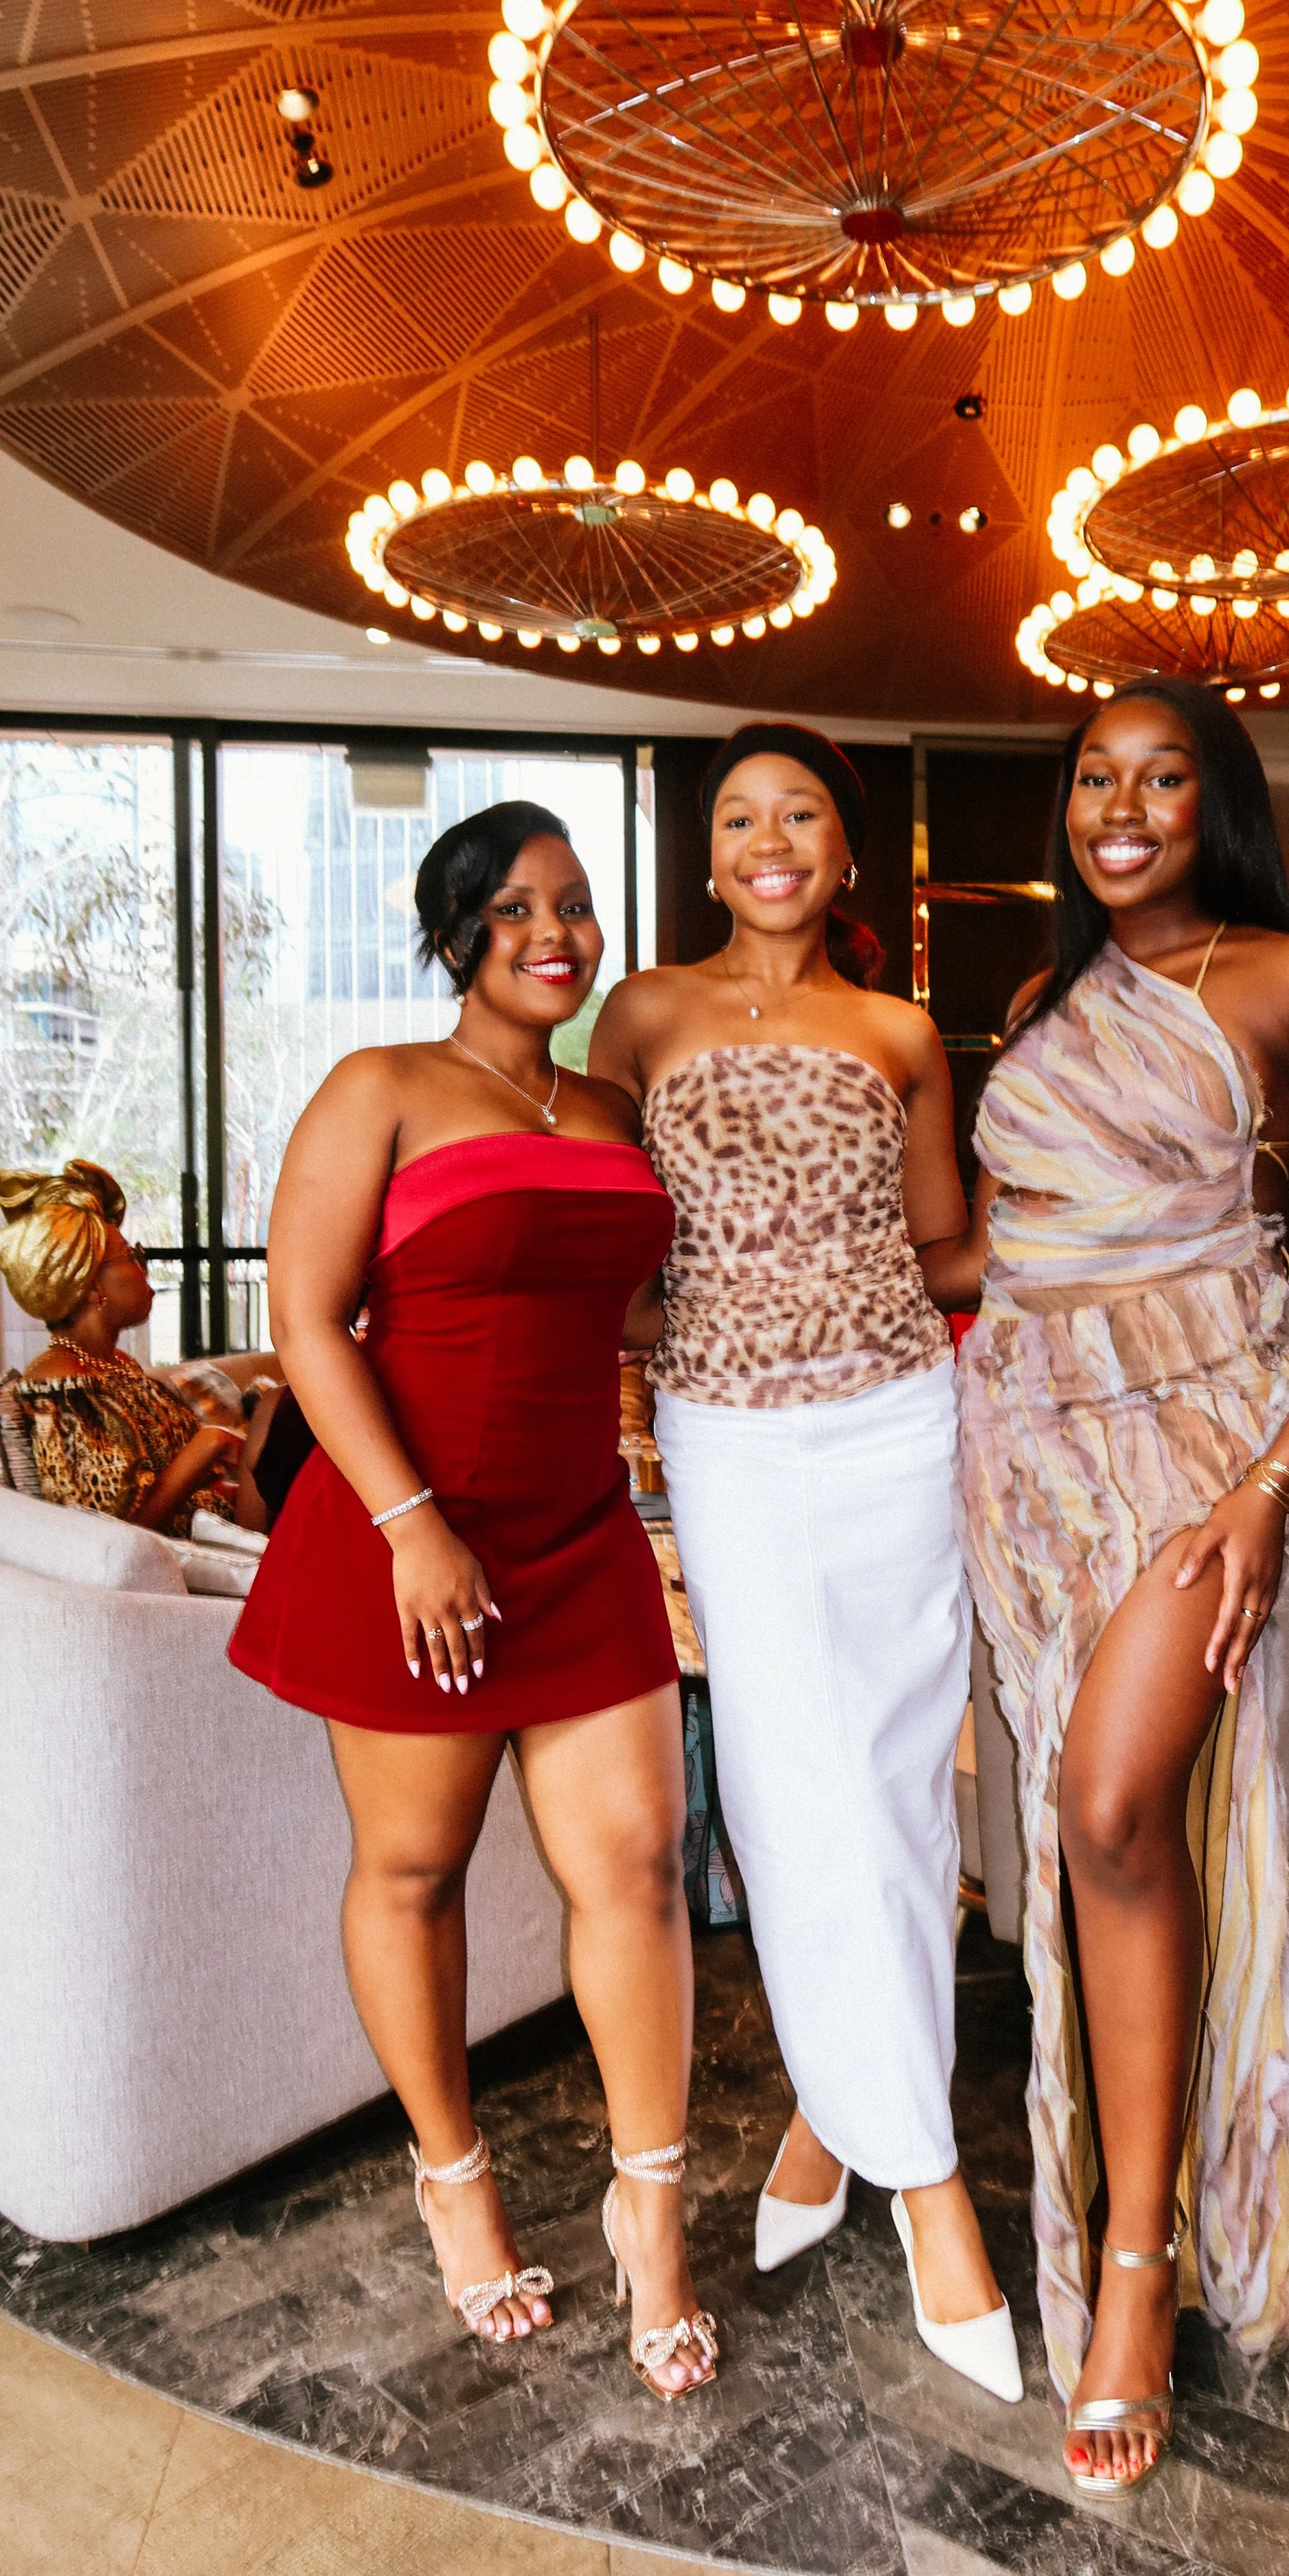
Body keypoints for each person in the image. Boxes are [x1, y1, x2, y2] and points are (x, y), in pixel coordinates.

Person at [924, 679, 1289, 2494]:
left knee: (1108, 1797)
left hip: (1202, 1436)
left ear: (1217, 802)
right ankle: (1150, 2214)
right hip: (1029, 1438)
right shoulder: (1038, 1003)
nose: (1119, 805)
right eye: (1091, 777)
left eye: (1162, 776)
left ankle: (1137, 2254)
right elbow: (1007, 1243)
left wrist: (1266, 1490)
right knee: (1090, 1826)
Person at [229, 801, 718, 2397]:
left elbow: (639, 1308)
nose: (551, 931)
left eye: (573, 905)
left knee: (638, 1865)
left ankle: (651, 2208)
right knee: (418, 1866)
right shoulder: (378, 1085)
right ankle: (457, 2177)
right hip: (408, 1534)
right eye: (510, 909)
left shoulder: (606, 1103)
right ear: (452, 936)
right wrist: (413, 1526)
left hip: (578, 1531)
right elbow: (305, 1320)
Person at [591, 723, 1022, 2404]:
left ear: (848, 856)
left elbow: (939, 1243)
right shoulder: (639, 1015)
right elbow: (603, 1223)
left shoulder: (899, 1027)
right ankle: (929, 2178)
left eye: (805, 816)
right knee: (788, 1783)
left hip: (898, 1417)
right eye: (741, 818)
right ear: (709, 857)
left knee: (901, 1775)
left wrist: (1118, 1206)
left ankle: (840, 2114)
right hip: (730, 1434)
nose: (772, 839)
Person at [0, 1162, 242, 1531]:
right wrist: (207, 1447)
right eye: (132, 1256)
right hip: (177, 1576)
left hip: (222, 1533)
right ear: (92, 1286)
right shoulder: (63, 1391)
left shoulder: (118, 1365)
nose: (144, 1266)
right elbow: (116, 1538)